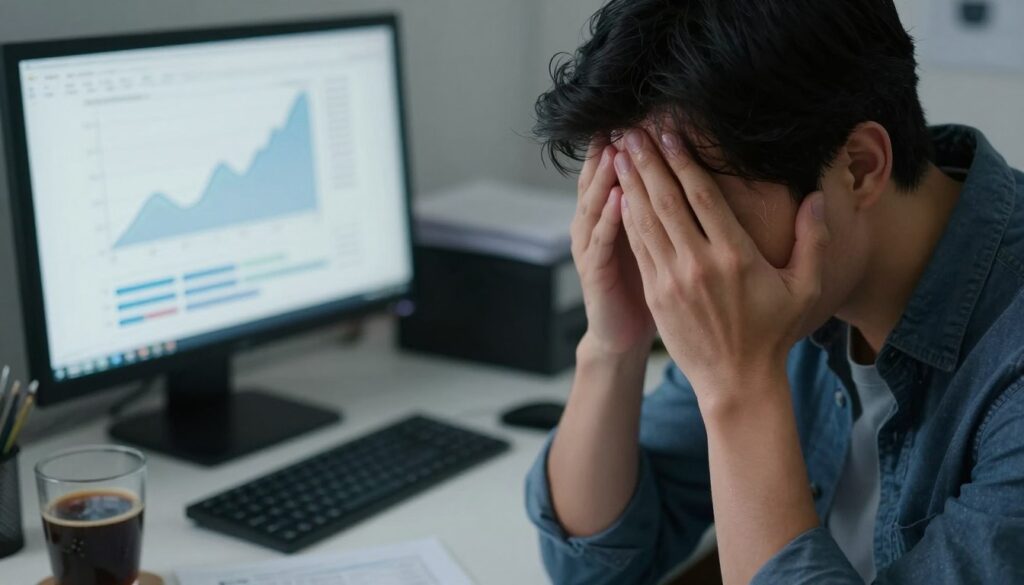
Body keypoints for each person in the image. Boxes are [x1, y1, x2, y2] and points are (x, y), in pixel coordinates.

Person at [523, 1, 1024, 584]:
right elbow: (591, 569)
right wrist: (614, 343)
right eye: (646, 201)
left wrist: (742, 384)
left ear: (859, 167)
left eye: (697, 212)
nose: (676, 258)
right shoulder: (770, 282)